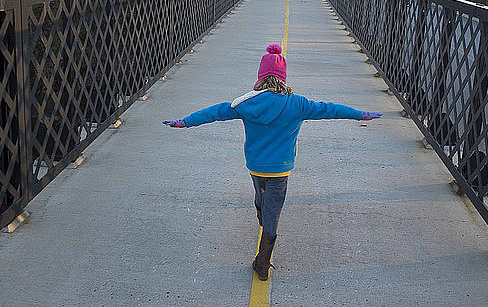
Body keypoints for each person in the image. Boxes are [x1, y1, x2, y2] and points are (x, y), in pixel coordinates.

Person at [162, 44, 382, 281]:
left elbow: (214, 112)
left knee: (261, 196)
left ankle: (261, 213)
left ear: (260, 76)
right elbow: (329, 109)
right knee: (273, 210)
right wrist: (359, 114)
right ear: (283, 77)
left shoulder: (245, 104)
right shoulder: (298, 103)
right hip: (280, 169)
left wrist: (185, 121)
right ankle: (263, 262)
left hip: (255, 165)